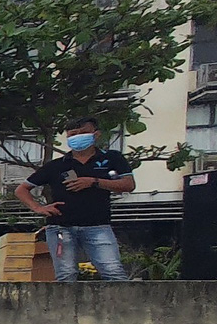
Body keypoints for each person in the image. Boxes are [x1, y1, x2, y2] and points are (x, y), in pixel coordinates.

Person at [16, 119, 135, 282]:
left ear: (96, 134)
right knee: (66, 275)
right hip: (61, 227)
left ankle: (122, 307)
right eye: (73, 134)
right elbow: (21, 189)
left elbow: (128, 184)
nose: (78, 137)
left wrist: (94, 181)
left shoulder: (112, 158)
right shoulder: (56, 166)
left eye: (83, 133)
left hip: (98, 225)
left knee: (113, 272)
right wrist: (38, 208)